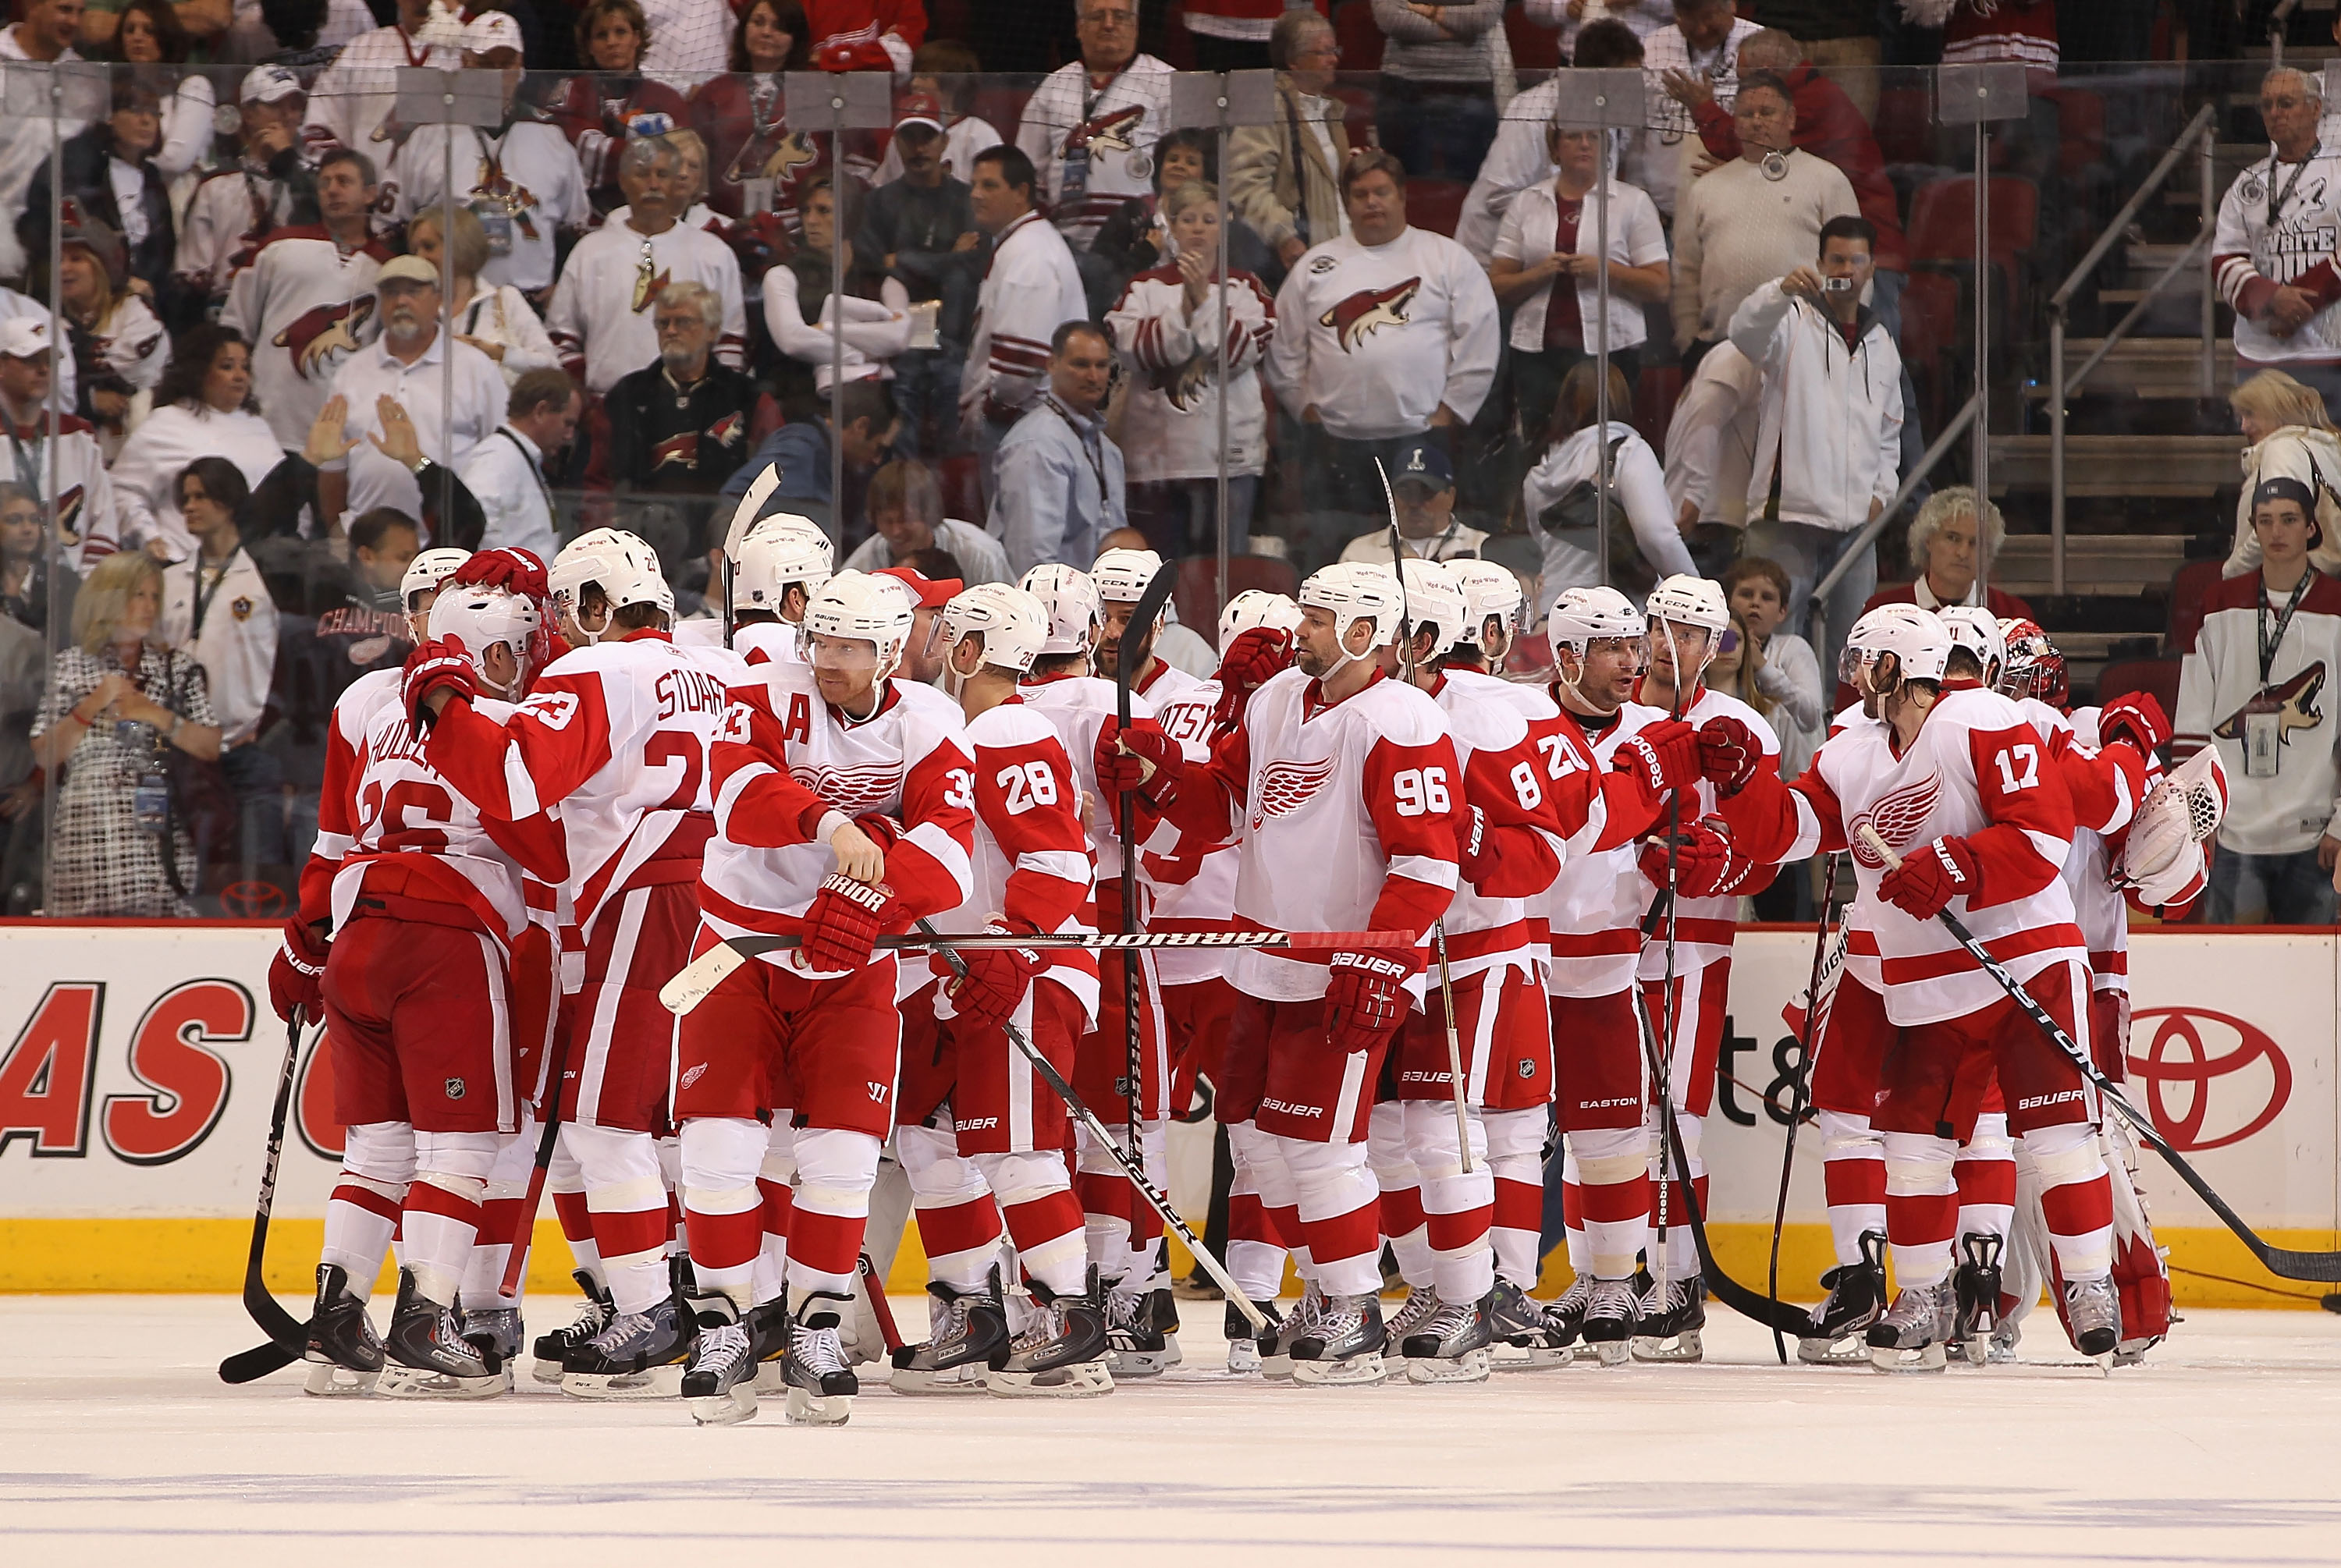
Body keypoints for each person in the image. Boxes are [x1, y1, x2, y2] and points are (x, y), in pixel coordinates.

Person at [1712, 605, 2128, 1368]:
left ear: (1895, 667)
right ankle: (1926, 1295)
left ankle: (2091, 1284)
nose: (1855, 678)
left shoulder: (1980, 717)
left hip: (2021, 966)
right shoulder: (1855, 753)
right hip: (1929, 987)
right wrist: (1743, 786)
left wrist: (1953, 866)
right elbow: (1798, 826)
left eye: (1864, 662)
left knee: (2060, 1136)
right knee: (1909, 1145)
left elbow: (2040, 833)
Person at [1104, 560, 1462, 1385]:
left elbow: (1427, 865)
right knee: (1260, 1148)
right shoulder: (1273, 705)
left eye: (1317, 618)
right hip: (1258, 961)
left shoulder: (1402, 721)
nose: (1300, 630)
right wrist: (1159, 776)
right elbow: (1224, 808)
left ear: (1365, 634)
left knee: (1322, 1147)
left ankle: (1355, 1307)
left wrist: (1379, 957)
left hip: (1341, 966)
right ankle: (1321, 1294)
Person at [410, 533, 732, 1399]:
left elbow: (518, 781)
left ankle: (651, 1311)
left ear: (595, 605)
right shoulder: (718, 666)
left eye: (567, 608)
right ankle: (725, 1304)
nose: (558, 627)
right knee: (686, 1125)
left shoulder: (600, 673)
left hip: (648, 898)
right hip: (724, 909)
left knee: (601, 1123)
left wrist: (443, 696)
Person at [666, 570, 974, 1425]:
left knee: (840, 1155)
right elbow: (733, 794)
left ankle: (817, 1329)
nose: (828, 661)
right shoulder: (761, 690)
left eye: (848, 648)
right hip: (739, 947)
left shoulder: (930, 722)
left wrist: (874, 897)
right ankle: (722, 1328)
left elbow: (949, 854)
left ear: (890, 651)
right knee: (718, 1144)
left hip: (853, 964)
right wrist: (835, 828)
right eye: (821, 643)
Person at [282, 577, 552, 1399]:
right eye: (521, 648)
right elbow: (545, 848)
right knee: (462, 1145)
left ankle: (336, 1316)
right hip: (444, 937)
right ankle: (427, 1319)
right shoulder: (504, 721)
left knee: (377, 1147)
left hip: (357, 930)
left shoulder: (381, 709)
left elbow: (333, 837)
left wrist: (303, 945)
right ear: (495, 654)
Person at [881, 580, 1114, 1401]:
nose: (937, 645)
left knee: (1016, 1149)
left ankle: (1068, 1321)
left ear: (975, 650)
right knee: (932, 1145)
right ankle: (973, 1314)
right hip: (952, 972)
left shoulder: (1011, 729)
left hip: (1017, 970)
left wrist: (1014, 952)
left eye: (949, 635)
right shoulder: (956, 728)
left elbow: (1057, 859)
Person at [1370, 559, 1566, 1383]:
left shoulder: (1486, 715)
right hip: (1407, 948)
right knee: (1405, 1138)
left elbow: (1547, 844)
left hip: (1476, 952)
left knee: (1449, 1130)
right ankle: (1458, 1286)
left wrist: (1470, 839)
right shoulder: (1380, 706)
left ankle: (1479, 1296)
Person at [1014, 562, 1178, 1374]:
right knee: (1119, 1123)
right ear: (1089, 634)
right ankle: (1125, 1291)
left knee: (1038, 1127)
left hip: (1023, 925)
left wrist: (1147, 786)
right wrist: (1148, 788)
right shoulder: (1122, 705)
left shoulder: (992, 712)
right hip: (1107, 918)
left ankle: (1050, 1297)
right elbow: (1180, 847)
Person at [1266, 150, 1500, 574]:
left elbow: (1481, 339)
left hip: (1420, 439)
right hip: (1336, 445)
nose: (1372, 202)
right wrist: (1306, 407)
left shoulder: (1445, 258)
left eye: (1381, 192)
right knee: (1334, 561)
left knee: (1420, 559)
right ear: (1346, 202)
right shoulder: (1316, 266)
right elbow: (1284, 346)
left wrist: (1452, 410)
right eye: (1360, 194)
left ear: (1402, 196)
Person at [1730, 215, 1903, 672]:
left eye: (1856, 260)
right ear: (1821, 263)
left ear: (1871, 267)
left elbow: (1890, 431)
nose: (1847, 269)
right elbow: (1742, 332)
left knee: (1856, 655)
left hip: (1854, 529)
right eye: (1837, 260)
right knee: (1767, 651)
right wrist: (1780, 290)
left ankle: (1843, 739)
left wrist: (1881, 496)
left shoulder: (1882, 341)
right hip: (1787, 517)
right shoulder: (1789, 320)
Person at [2174, 477, 2341, 926]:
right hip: (2232, 831)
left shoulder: (2337, 607)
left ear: (2311, 527)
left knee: (2313, 985)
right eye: (2265, 521)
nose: (2277, 532)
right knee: (2231, 982)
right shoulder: (2218, 603)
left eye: (2289, 520)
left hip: (2314, 833)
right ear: (2253, 529)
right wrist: (2197, 820)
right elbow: (2192, 718)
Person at [28, 549, 222, 917]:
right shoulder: (70, 665)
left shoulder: (176, 667)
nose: (148, 607)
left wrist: (153, 713)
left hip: (159, 831)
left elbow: (211, 746)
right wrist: (92, 704)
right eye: (138, 595)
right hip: (88, 832)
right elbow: (44, 754)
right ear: (108, 597)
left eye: (154, 596)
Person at [1678, 30, 1907, 330]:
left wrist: (1703, 109)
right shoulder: (1812, 90)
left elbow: (1755, 144)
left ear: (1768, 73)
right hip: (1852, 250)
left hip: (1869, 255)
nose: (1743, 86)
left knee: (1877, 363)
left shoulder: (1815, 101)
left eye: (1745, 78)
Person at [1103, 179, 1275, 562]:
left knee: (1226, 571)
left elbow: (1239, 353)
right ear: (1172, 225)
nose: (1199, 228)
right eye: (1188, 219)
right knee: (1159, 571)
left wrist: (1200, 300)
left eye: (1209, 219)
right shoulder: (1142, 286)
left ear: (1224, 226)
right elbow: (1133, 349)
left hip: (1230, 463)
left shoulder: (1246, 287)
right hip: (1155, 462)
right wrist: (1188, 309)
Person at [387, 14, 590, 308]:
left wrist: (563, 285)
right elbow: (393, 228)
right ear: (465, 65)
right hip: (448, 303)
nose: (497, 75)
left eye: (506, 64)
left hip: (532, 303)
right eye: (486, 64)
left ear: (520, 67)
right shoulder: (427, 136)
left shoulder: (551, 136)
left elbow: (574, 229)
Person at [1489, 119, 1671, 441]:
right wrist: (1539, 274)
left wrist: (1604, 271)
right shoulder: (1526, 202)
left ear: (1607, 148)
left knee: (1609, 443)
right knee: (1541, 445)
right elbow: (1498, 286)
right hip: (1538, 351)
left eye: (1594, 137)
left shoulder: (1634, 203)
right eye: (1573, 137)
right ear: (1556, 147)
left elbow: (1659, 286)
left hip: (1612, 349)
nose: (1585, 144)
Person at [1671, 71, 1860, 373]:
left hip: (1805, 348)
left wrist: (1842, 333)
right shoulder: (1706, 188)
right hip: (1719, 347)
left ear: (1791, 119)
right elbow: (1686, 272)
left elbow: (1855, 267)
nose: (1757, 122)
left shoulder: (1828, 180)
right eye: (1747, 114)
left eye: (1767, 112)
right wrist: (1688, 340)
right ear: (1735, 122)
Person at [314, 254, 507, 532]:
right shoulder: (350, 373)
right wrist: (337, 532)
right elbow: (332, 465)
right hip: (368, 545)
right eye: (392, 293)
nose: (401, 301)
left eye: (413, 291)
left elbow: (499, 459)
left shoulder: (475, 368)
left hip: (449, 542)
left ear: (439, 299)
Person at [548, 133, 748, 397]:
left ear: (675, 181)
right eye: (642, 174)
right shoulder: (589, 251)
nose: (653, 184)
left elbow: (729, 341)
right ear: (623, 181)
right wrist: (585, 401)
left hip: (691, 408)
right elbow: (562, 338)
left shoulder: (714, 253)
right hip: (605, 406)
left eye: (662, 174)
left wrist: (710, 401)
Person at [222, 146, 392, 455]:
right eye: (325, 183)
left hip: (343, 429)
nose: (332, 190)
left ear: (370, 194)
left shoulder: (386, 268)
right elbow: (237, 324)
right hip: (267, 420)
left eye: (343, 181)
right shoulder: (280, 244)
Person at [156, 456, 282, 874]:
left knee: (256, 873)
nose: (189, 506)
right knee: (192, 868)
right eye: (185, 498)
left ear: (228, 502)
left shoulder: (263, 578)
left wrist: (264, 728)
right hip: (185, 748)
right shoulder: (169, 579)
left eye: (201, 496)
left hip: (248, 745)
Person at [857, 90, 979, 459]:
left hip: (955, 335)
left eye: (927, 137)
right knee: (901, 413)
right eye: (909, 137)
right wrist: (946, 259)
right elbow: (871, 260)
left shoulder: (968, 199)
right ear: (896, 141)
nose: (918, 148)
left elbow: (972, 264)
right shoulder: (880, 201)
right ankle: (903, 497)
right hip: (900, 335)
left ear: (945, 140)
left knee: (951, 406)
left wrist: (904, 260)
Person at [2211, 69, 2341, 411]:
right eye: (2267, 105)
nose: (2275, 113)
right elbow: (2224, 259)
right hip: (2261, 355)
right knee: (2269, 461)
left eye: (2286, 103)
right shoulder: (2246, 183)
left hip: (2332, 352)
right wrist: (2270, 299)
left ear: (2316, 110)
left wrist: (2301, 304)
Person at [958, 144, 1087, 484]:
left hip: (1024, 427)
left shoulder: (1029, 253)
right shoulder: (1025, 243)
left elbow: (1021, 364)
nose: (976, 195)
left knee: (1022, 533)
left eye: (989, 186)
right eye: (974, 185)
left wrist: (989, 412)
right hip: (1030, 424)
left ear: (1021, 193)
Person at [1521, 360, 1695, 610]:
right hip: (1614, 613)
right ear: (1622, 401)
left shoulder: (1539, 475)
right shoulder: (1629, 453)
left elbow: (1541, 540)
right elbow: (1657, 536)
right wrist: (1696, 592)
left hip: (1555, 607)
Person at [110, 326, 282, 565]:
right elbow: (123, 493)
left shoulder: (258, 426)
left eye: (245, 367)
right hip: (182, 564)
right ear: (198, 371)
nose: (240, 376)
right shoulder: (166, 423)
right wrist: (149, 537)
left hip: (254, 568)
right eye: (227, 366)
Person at [1013, 0, 1174, 256]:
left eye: (1119, 16)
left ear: (1135, 25)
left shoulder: (1166, 82)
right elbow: (1027, 174)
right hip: (1064, 248)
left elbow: (1187, 172)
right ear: (1079, 27)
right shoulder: (1054, 87)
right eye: (1098, 16)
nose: (1109, 24)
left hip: (1144, 244)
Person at [606, 280, 760, 526]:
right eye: (663, 323)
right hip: (644, 531)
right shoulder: (627, 395)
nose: (671, 331)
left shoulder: (745, 395)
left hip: (724, 531)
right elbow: (600, 478)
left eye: (684, 322)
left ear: (712, 331)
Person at [176, 66, 321, 323]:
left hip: (295, 306)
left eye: (295, 107)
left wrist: (289, 164)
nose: (288, 116)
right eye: (276, 106)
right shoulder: (216, 184)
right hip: (226, 312)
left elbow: (323, 232)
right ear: (249, 115)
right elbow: (191, 274)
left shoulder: (317, 179)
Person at [20, 78, 177, 300]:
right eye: (135, 111)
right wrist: (122, 282)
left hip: (138, 298)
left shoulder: (152, 176)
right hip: (79, 292)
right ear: (109, 117)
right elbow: (68, 231)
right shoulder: (78, 162)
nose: (146, 121)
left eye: (154, 113)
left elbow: (162, 250)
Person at [763, 174, 912, 406]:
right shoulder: (782, 276)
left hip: (873, 409)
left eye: (823, 211)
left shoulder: (882, 280)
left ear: (849, 216)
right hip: (804, 406)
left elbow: (899, 337)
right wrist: (861, 356)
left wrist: (826, 330)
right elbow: (794, 340)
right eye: (806, 210)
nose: (810, 220)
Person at [1226, 9, 1349, 283]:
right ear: (1294, 61)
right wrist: (1283, 234)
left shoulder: (1329, 111)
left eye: (1335, 49)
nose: (1335, 59)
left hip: (1343, 253)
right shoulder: (1265, 107)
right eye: (1324, 52)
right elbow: (1245, 184)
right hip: (1299, 259)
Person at [994, 321, 1124, 577]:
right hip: (1048, 604)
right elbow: (1031, 562)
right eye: (1081, 364)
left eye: (1101, 365)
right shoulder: (1036, 443)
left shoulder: (1109, 451)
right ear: (1052, 365)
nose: (1093, 376)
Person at [546, 0, 693, 218]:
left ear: (637, 38)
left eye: (621, 32)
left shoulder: (666, 97)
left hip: (652, 217)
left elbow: (680, 159)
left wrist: (614, 141)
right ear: (589, 45)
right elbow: (578, 152)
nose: (612, 42)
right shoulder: (571, 91)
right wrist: (646, 148)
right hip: (584, 220)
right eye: (601, 35)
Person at [687, 0, 815, 245]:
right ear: (743, 29)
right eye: (758, 23)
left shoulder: (814, 92)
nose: (767, 32)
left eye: (779, 27)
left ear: (795, 38)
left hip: (800, 232)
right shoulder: (714, 92)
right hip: (725, 228)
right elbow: (693, 162)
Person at [0, 317, 119, 573]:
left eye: (49, 361)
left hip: (69, 596)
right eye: (31, 360)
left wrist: (86, 592)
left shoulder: (80, 435)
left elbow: (104, 520)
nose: (43, 370)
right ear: (2, 365)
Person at [719, 376, 898, 537]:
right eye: (879, 447)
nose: (878, 460)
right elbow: (734, 502)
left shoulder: (831, 457)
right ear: (861, 426)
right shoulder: (800, 449)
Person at [52, 223, 169, 463]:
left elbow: (126, 368)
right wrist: (90, 399)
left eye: (77, 259)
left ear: (103, 266)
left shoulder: (136, 312)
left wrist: (74, 372)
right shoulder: (51, 319)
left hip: (140, 448)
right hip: (76, 453)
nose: (65, 268)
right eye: (60, 259)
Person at [0, 0, 91, 285]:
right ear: (32, 7)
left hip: (55, 243)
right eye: (64, 9)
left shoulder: (85, 77)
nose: (74, 21)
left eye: (80, 12)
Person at [2222, 369, 2341, 580]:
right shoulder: (2321, 448)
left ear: (2275, 411)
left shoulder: (2283, 451)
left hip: (2289, 588)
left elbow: (2277, 526)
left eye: (2250, 414)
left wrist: (2234, 571)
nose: (2243, 427)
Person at [304, 0, 461, 158]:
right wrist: (341, 172)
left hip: (447, 179)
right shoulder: (360, 49)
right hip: (369, 179)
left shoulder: (466, 52)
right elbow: (322, 121)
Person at [1369, 0, 1506, 183]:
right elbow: (1390, 17)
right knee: (1404, 189)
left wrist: (1426, 11)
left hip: (1470, 91)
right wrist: (1457, 30)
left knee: (1471, 192)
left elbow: (1484, 16)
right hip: (1403, 90)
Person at [1717, 555, 1824, 785]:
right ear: (1727, 601)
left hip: (1790, 776)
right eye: (1746, 594)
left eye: (1767, 598)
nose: (1755, 603)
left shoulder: (1793, 648)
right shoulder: (1718, 644)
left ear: (1782, 612)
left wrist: (1762, 667)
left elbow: (1810, 716)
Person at [1858, 487, 2032, 626]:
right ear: (1928, 540)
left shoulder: (2012, 615)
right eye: (1953, 538)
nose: (1963, 553)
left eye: (1975, 543)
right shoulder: (1883, 612)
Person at [458, 368, 579, 562]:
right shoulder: (495, 459)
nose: (569, 436)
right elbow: (474, 530)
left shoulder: (516, 458)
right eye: (568, 423)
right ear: (541, 411)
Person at [839, 457, 1009, 584]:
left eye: (905, 520)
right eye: (887, 521)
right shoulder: (859, 569)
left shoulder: (981, 555)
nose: (896, 531)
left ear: (929, 514)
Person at [1337, 438, 1488, 565]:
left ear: (1451, 497)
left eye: (1426, 492)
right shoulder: (1360, 554)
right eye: (1405, 492)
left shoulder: (1482, 548)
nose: (1414, 503)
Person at [872, 42, 1002, 187]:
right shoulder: (904, 133)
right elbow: (882, 188)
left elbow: (995, 193)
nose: (914, 83)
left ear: (952, 83)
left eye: (924, 76)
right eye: (914, 76)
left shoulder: (979, 134)